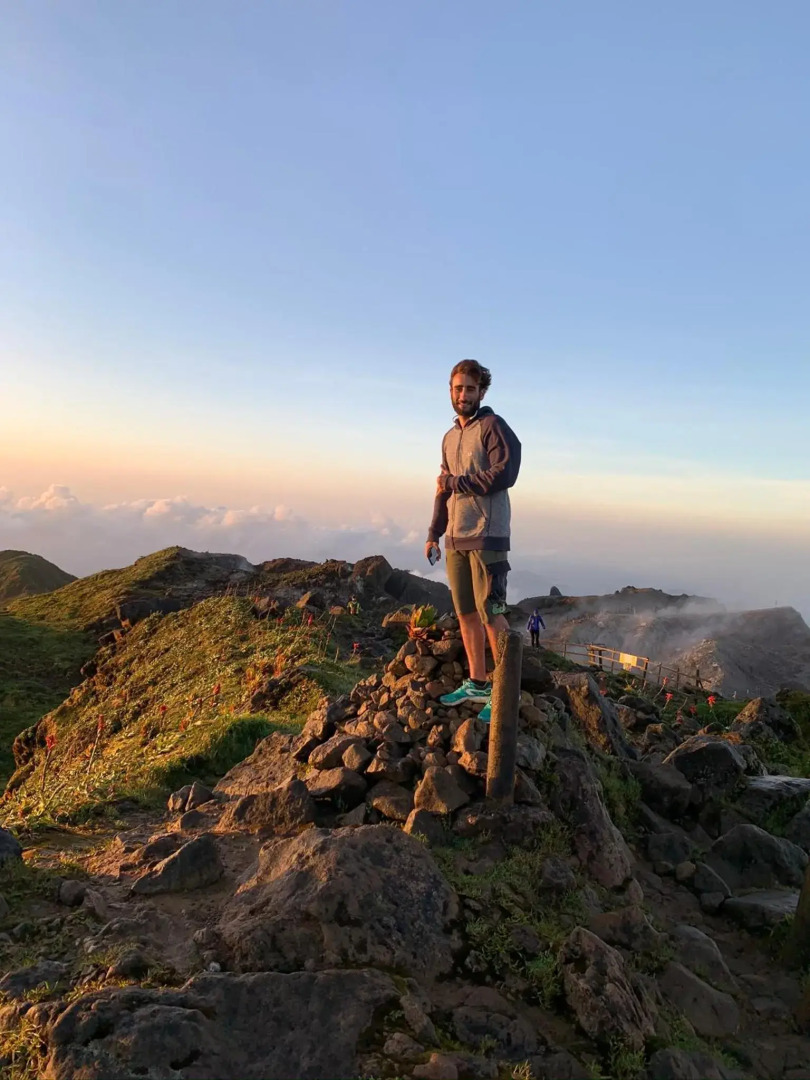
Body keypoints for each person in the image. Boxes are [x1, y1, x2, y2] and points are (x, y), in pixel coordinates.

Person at [425, 359, 521, 722]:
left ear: (482, 391)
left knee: (491, 613)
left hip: (487, 536)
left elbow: (506, 472)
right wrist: (434, 533)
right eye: (457, 388)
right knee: (466, 612)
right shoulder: (449, 438)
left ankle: (505, 691)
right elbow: (442, 489)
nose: (463, 394)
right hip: (455, 537)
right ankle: (478, 683)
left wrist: (457, 484)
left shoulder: (493, 427)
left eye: (469, 388)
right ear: (450, 391)